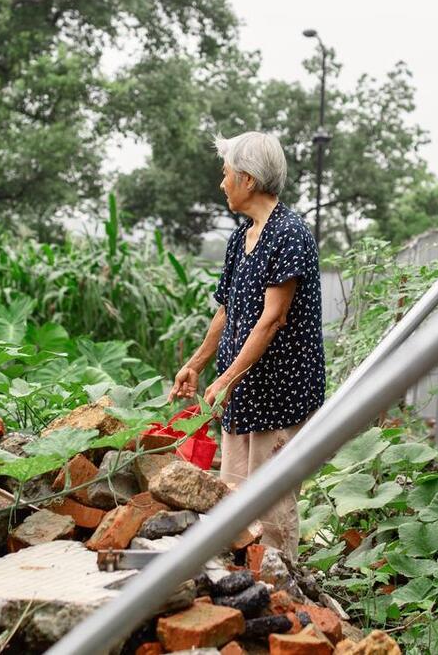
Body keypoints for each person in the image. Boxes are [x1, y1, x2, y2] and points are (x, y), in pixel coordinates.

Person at [169, 131, 326, 557]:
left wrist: (227, 378)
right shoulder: (243, 237)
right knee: (234, 494)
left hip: (279, 392)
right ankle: (245, 584)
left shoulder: (289, 233)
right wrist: (198, 365)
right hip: (244, 393)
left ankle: (282, 587)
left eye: (225, 174)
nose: (222, 184)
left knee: (270, 499)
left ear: (248, 179)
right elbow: (227, 310)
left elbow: (272, 319)